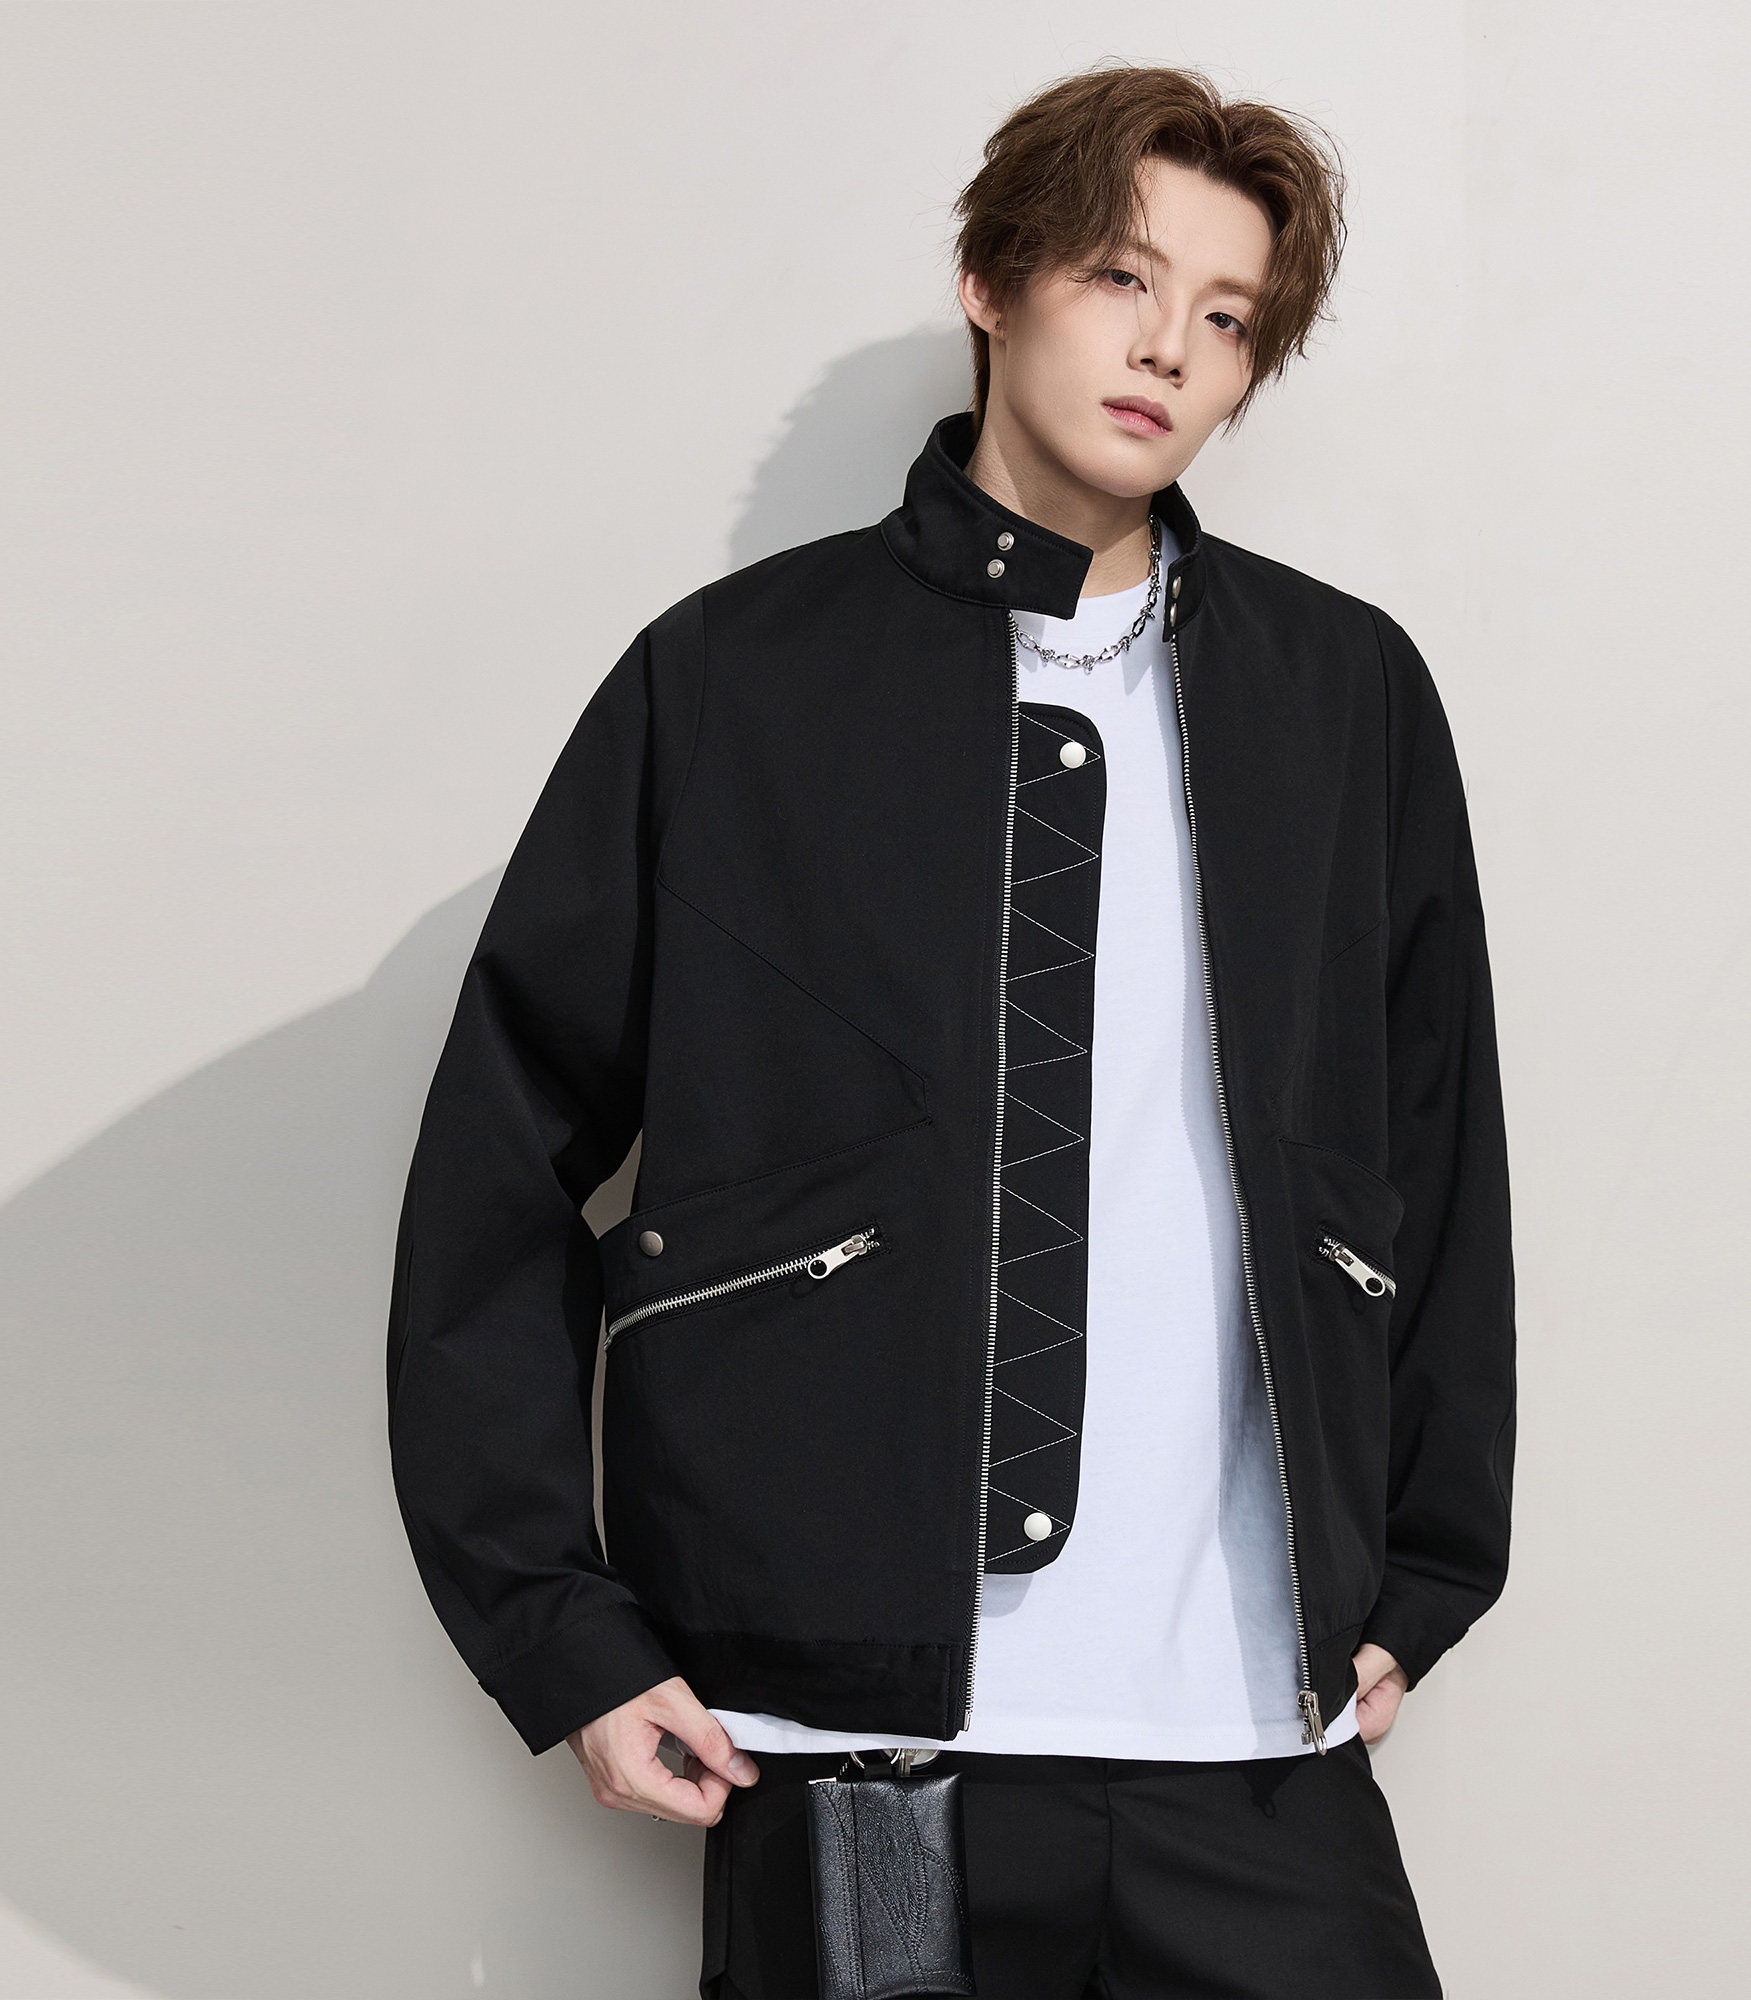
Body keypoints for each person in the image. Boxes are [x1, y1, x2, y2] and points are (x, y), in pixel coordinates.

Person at [386, 60, 1516, 2000]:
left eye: (1227, 316)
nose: (1167, 349)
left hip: (1252, 1729)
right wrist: (559, 1631)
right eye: (1120, 277)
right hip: (852, 1744)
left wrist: (1422, 1577)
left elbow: (1435, 1156)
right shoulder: (736, 683)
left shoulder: (1342, 697)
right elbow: (498, 1163)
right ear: (992, 281)